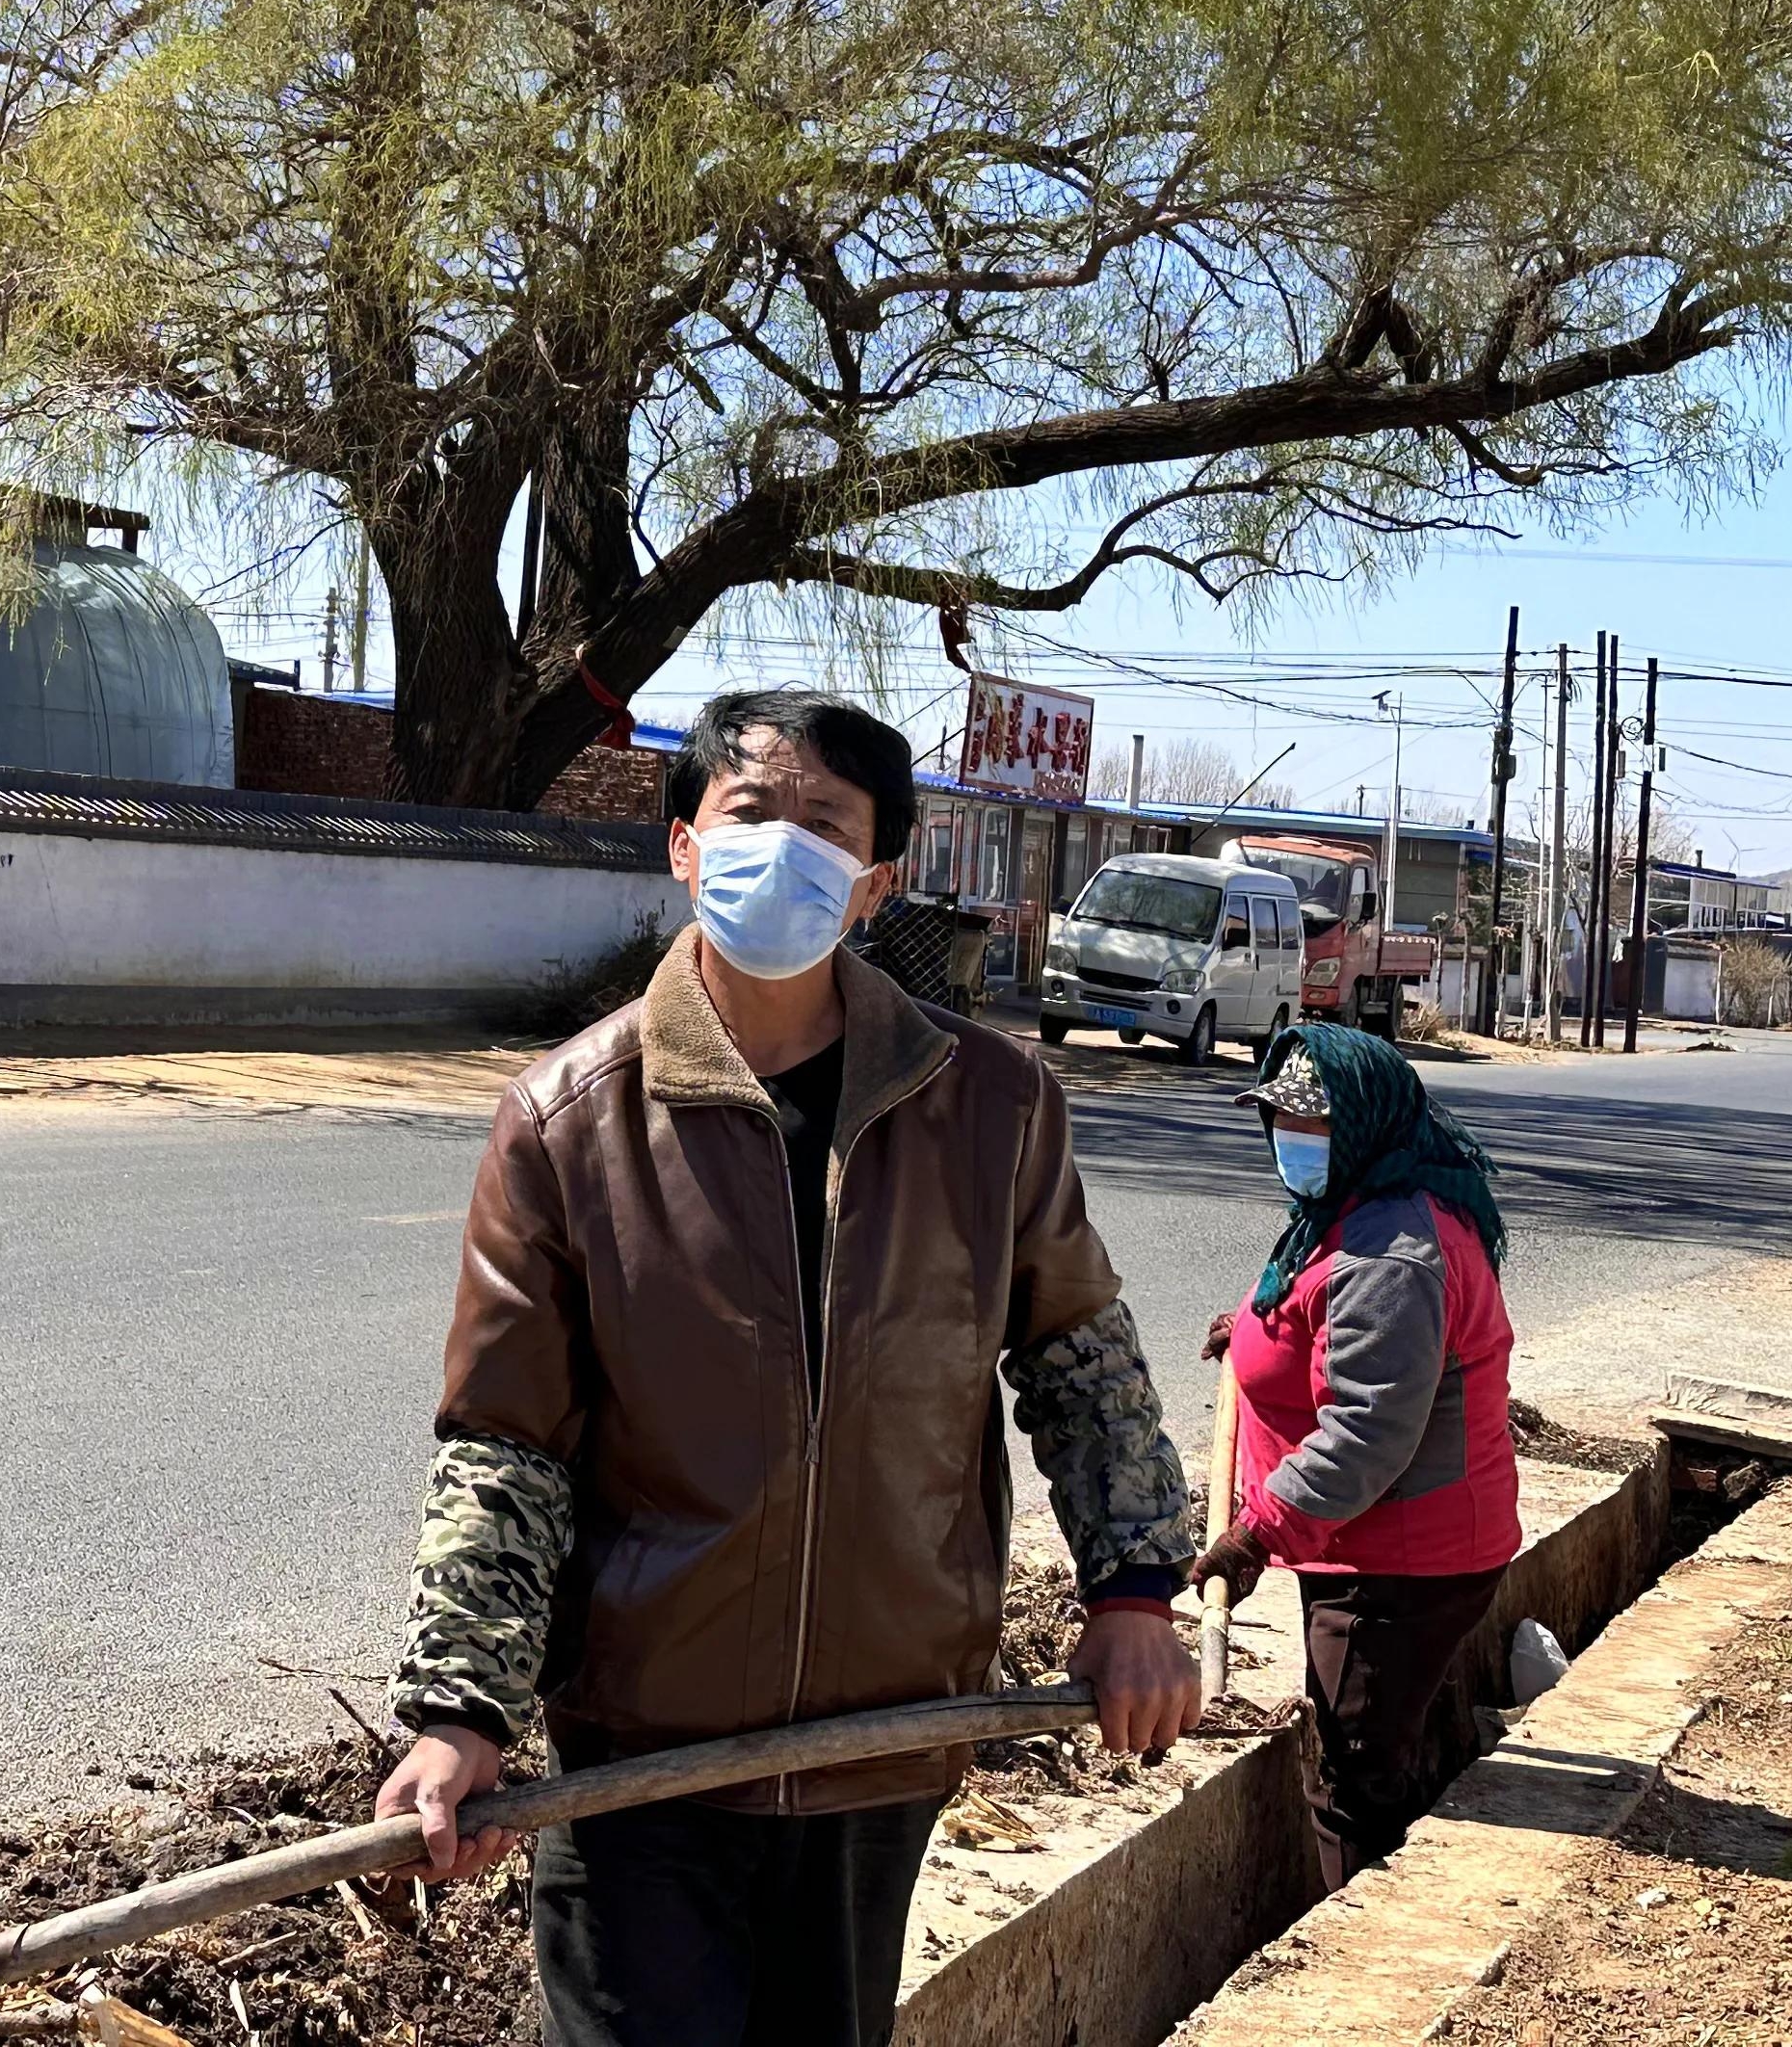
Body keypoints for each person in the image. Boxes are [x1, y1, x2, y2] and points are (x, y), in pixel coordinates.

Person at [372, 686, 1203, 2047]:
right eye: (751, 812)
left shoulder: (990, 1109)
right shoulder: (568, 1124)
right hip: (643, 1754)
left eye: (825, 825)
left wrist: (1134, 1593)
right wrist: (461, 1711)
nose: (783, 846)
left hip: (880, 1738)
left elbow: (1077, 1356)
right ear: (685, 847)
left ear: (874, 885)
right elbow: (504, 1444)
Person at [1192, 1022, 1521, 1893]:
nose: (1289, 1141)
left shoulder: (1393, 1254)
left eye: (1313, 1125)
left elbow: (1369, 1431)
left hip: (1394, 1564)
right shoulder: (1357, 1209)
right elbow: (1318, 1311)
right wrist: (1257, 1332)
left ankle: (1356, 1928)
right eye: (1280, 1121)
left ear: (1366, 1124)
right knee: (1377, 1742)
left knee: (1348, 1779)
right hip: (1373, 1546)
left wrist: (1257, 1534)